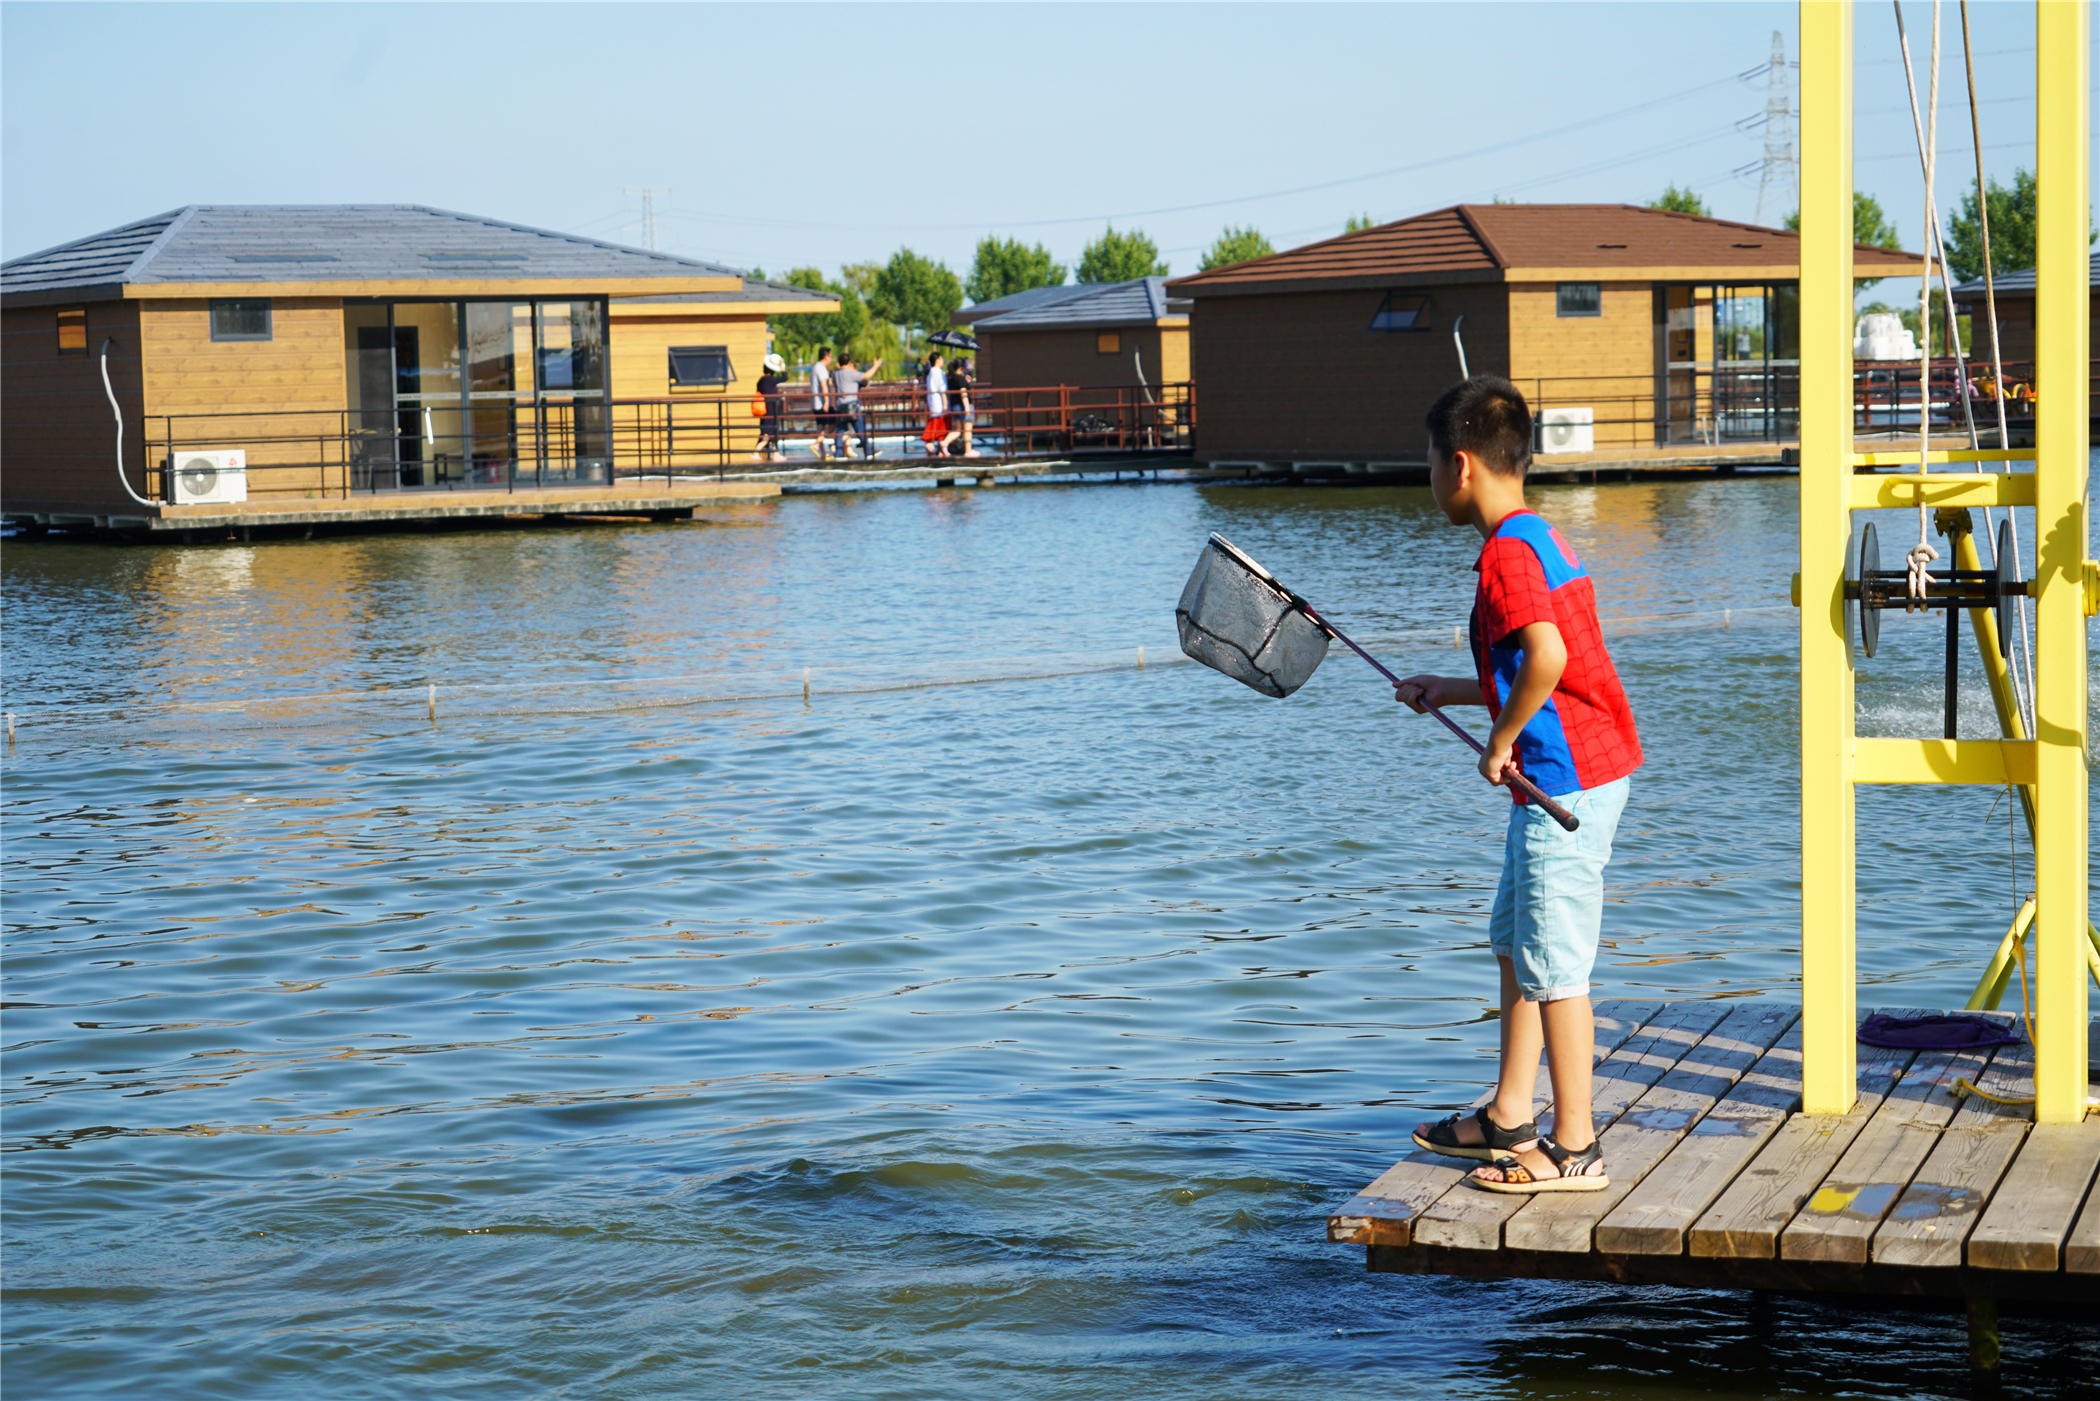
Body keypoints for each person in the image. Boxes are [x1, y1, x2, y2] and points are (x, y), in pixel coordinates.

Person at [1393, 375, 1642, 1195]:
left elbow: (1548, 659)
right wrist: (1454, 688)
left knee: (1556, 962)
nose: (1428, 476)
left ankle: (1575, 1146)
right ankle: (1509, 1113)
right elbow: (1537, 668)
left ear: (1459, 464)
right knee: (1516, 937)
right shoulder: (1539, 536)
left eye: (1429, 461)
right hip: (1578, 774)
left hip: (1563, 786)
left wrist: (1499, 741)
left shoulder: (1504, 556)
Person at [831, 352, 883, 461]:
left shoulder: (835, 374)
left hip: (840, 406)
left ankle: (839, 454)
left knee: (840, 430)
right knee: (860, 430)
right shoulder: (850, 373)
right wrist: (876, 366)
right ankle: (868, 452)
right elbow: (866, 376)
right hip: (852, 405)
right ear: (849, 362)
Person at [753, 352, 788, 462]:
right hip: (771, 409)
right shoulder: (770, 380)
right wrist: (782, 367)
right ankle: (756, 452)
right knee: (769, 433)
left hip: (765, 409)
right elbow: (785, 377)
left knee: (770, 432)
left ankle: (775, 454)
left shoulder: (761, 380)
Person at [944, 357, 981, 458]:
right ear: (961, 368)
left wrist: (967, 382)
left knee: (958, 429)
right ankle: (968, 450)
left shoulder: (950, 378)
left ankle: (944, 443)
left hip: (955, 406)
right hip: (963, 406)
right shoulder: (960, 378)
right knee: (967, 429)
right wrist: (967, 408)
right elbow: (963, 392)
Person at [807, 347, 835, 459]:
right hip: (822, 402)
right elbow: (824, 385)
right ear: (826, 356)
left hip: (816, 402)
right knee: (834, 422)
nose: (831, 359)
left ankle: (823, 453)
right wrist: (827, 401)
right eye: (831, 356)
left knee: (821, 426)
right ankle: (817, 444)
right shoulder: (822, 368)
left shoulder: (814, 367)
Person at [921, 351, 949, 457]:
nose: (943, 361)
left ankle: (933, 446)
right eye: (942, 359)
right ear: (937, 360)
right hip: (939, 402)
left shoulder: (930, 372)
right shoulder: (938, 372)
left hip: (932, 400)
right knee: (939, 424)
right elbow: (942, 389)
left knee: (935, 423)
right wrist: (945, 404)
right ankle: (932, 444)